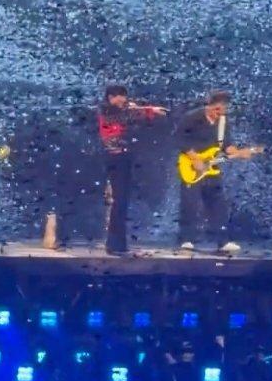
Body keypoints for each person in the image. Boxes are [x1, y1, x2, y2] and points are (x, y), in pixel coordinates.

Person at [176, 90, 259, 255]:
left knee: (218, 204)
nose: (219, 113)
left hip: (212, 168)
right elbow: (179, 139)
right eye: (216, 110)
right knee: (190, 204)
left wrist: (239, 153)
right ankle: (186, 239)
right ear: (208, 106)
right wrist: (194, 158)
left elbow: (226, 145)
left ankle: (223, 241)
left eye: (222, 110)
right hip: (191, 165)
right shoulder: (192, 117)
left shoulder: (223, 122)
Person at [97, 83, 167, 255]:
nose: (123, 100)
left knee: (122, 201)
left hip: (124, 158)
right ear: (111, 97)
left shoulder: (124, 110)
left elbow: (132, 116)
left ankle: (119, 244)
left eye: (124, 96)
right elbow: (124, 116)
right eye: (120, 96)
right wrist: (149, 110)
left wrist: (146, 111)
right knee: (118, 201)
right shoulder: (106, 110)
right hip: (113, 158)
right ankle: (114, 244)